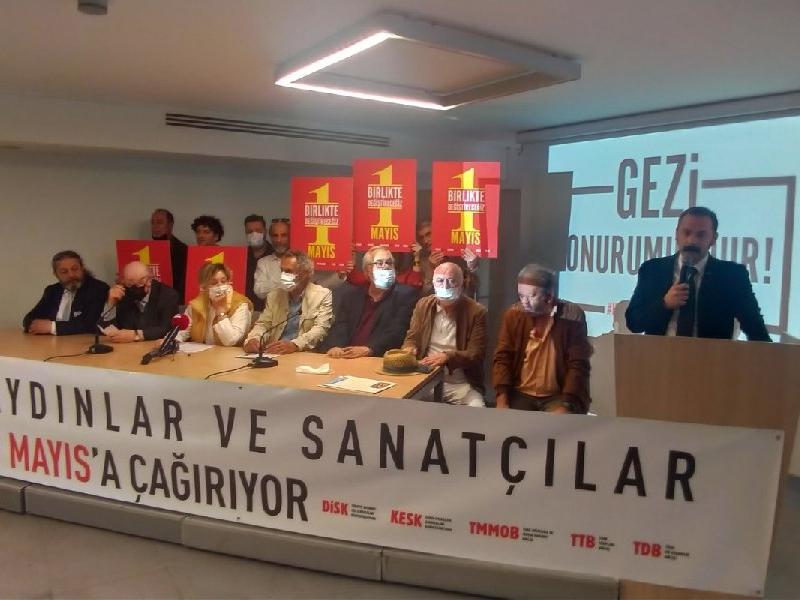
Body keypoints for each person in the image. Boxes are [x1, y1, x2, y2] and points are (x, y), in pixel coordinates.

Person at [625, 206, 770, 341]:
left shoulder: (732, 276)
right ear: (676, 234)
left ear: (713, 239)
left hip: (711, 357)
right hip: (658, 355)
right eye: (686, 233)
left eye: (701, 235)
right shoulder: (653, 269)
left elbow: (754, 326)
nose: (692, 241)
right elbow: (634, 322)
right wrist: (665, 304)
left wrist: (772, 356)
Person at [492, 264, 592, 414]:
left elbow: (578, 365)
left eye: (531, 296)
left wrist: (566, 404)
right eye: (521, 296)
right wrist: (502, 398)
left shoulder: (572, 316)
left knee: (558, 425)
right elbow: (503, 358)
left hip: (559, 395)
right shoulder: (513, 315)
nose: (524, 302)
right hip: (520, 393)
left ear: (549, 297)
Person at [402, 262, 487, 407]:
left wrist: (448, 357)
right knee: (401, 405)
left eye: (451, 281)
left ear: (461, 284)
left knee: (478, 409)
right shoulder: (423, 305)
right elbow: (412, 337)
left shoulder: (476, 312)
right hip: (426, 379)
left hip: (461, 384)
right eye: (440, 281)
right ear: (433, 283)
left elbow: (476, 353)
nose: (445, 286)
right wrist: (409, 348)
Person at [319, 245, 418, 358]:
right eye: (379, 263)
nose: (385, 267)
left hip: (377, 357)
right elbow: (340, 325)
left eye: (389, 263)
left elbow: (398, 332)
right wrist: (335, 346)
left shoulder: (406, 295)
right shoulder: (352, 296)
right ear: (367, 270)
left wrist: (369, 349)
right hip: (345, 356)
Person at [243, 250, 333, 354]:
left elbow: (320, 329)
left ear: (304, 273)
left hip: (302, 354)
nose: (283, 275)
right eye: (282, 271)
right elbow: (264, 324)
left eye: (288, 271)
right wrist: (254, 339)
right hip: (274, 352)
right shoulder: (274, 295)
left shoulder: (322, 295)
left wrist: (295, 345)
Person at [23, 250, 109, 335]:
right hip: (51, 341)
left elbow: (91, 324)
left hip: (81, 342)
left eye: (75, 269)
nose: (71, 275)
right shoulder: (52, 291)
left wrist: (52, 327)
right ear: (56, 274)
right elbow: (29, 319)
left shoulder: (98, 289)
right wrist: (35, 325)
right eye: (64, 272)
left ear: (82, 268)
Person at [101, 261, 180, 343]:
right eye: (130, 284)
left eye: (139, 284)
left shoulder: (168, 295)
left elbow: (167, 329)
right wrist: (110, 304)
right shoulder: (123, 293)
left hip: (153, 346)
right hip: (125, 347)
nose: (134, 288)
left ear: (149, 280)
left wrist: (136, 335)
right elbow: (104, 329)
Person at [176, 263, 252, 346]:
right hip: (203, 352)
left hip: (229, 353)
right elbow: (182, 332)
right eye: (214, 283)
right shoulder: (197, 304)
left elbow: (231, 341)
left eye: (223, 281)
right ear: (204, 287)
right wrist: (174, 340)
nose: (220, 285)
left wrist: (221, 312)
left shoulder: (240, 304)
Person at [415, 221, 479, 298]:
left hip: (462, 302)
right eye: (421, 238)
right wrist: (432, 269)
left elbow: (474, 286)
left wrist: (471, 263)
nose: (425, 241)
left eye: (428, 234)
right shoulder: (424, 262)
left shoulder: (460, 254)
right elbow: (424, 294)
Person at [150, 208, 188, 304]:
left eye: (159, 222)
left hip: (173, 302)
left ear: (170, 225)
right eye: (153, 222)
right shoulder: (146, 249)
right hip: (151, 301)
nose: (155, 226)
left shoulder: (183, 250)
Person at [253, 218, 290, 301]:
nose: (279, 240)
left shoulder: (300, 261)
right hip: (272, 308)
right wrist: (285, 284)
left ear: (291, 236)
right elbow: (259, 290)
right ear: (270, 237)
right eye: (275, 236)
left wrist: (271, 284)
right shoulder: (263, 263)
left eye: (284, 235)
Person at [243, 214, 274, 312]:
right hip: (244, 310)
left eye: (258, 230)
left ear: (265, 231)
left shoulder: (275, 255)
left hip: (269, 311)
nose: (254, 234)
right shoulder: (241, 256)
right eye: (250, 231)